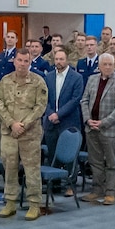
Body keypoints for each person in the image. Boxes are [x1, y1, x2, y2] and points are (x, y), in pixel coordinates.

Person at [0, 46, 48, 221]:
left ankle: (34, 204)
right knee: (9, 168)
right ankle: (10, 202)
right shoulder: (5, 81)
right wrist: (12, 124)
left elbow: (40, 107)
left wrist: (23, 125)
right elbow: (0, 104)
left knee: (31, 169)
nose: (23, 64)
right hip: (9, 133)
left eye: (26, 61)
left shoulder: (38, 81)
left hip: (30, 134)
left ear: (30, 62)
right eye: (20, 60)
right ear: (14, 60)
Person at [80, 54, 115, 205]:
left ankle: (110, 192)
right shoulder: (92, 79)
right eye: (105, 64)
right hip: (91, 127)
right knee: (95, 161)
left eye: (110, 64)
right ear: (99, 66)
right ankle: (97, 190)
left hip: (110, 129)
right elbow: (84, 100)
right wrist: (88, 120)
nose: (108, 67)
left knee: (111, 162)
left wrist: (103, 122)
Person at [41, 48, 86, 177]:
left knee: (70, 157)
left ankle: (70, 184)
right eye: (56, 59)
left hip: (68, 121)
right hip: (50, 123)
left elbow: (75, 99)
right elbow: (44, 98)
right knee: (52, 154)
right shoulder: (48, 77)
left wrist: (58, 114)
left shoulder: (77, 77)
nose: (59, 62)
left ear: (67, 60)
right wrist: (50, 113)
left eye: (61, 59)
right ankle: (54, 184)